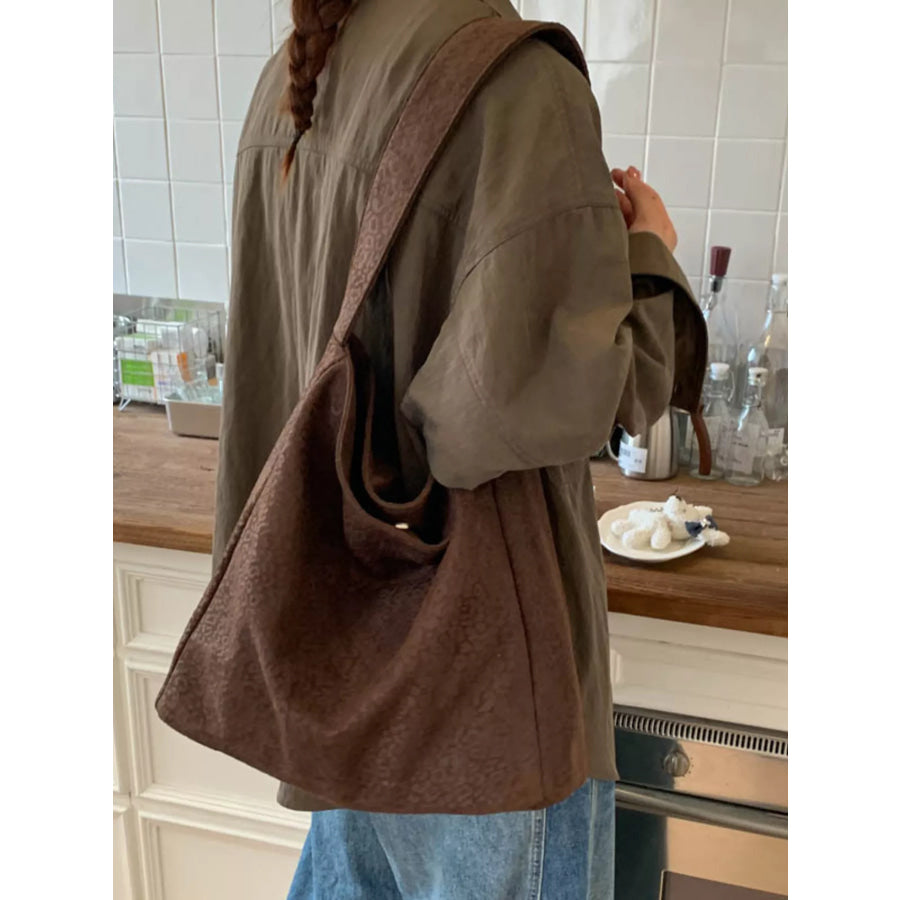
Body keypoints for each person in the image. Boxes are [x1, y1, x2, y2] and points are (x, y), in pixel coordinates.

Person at [216, 0, 705, 896]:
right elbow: (555, 402)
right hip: (482, 690)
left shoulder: (298, 75)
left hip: (348, 649)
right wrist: (650, 254)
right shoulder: (518, 84)